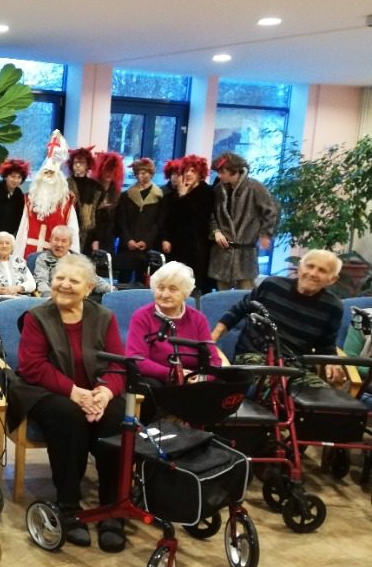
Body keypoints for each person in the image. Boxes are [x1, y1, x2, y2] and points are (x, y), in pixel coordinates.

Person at [12, 253, 126, 551]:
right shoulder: (37, 317)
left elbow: (118, 365)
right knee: (68, 416)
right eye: (59, 278)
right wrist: (74, 392)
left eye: (73, 281)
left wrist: (105, 394)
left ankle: (111, 508)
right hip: (46, 392)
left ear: (88, 288)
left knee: (117, 416)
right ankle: (69, 505)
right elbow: (32, 367)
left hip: (95, 392)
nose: (64, 284)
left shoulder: (105, 317)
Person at [211, 249, 346, 391]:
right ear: (299, 267)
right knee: (276, 391)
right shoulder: (272, 285)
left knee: (323, 397)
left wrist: (332, 363)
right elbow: (239, 310)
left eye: (322, 270)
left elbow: (326, 345)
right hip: (254, 357)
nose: (313, 273)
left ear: (332, 279)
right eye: (310, 266)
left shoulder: (333, 306)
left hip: (295, 365)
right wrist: (212, 338)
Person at [126, 261, 221, 421]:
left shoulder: (198, 319)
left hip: (192, 382)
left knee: (216, 387)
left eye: (173, 289)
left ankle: (196, 433)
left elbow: (214, 360)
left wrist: (201, 378)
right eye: (160, 288)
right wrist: (172, 374)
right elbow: (136, 359)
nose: (165, 294)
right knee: (152, 388)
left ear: (185, 293)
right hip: (158, 381)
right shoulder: (142, 316)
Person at [208, 151, 279, 290]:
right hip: (222, 253)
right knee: (221, 295)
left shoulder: (254, 187)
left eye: (222, 172)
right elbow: (211, 215)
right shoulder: (218, 190)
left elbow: (271, 211)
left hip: (246, 253)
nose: (219, 176)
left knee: (246, 293)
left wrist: (265, 234)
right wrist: (216, 231)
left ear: (233, 170)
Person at [15, 130, 79, 259]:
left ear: (59, 178)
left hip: (56, 258)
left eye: (52, 173)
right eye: (46, 173)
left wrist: (73, 261)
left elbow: (73, 234)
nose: (48, 177)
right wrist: (17, 258)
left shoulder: (66, 205)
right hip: (28, 256)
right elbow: (22, 231)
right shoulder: (30, 200)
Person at [160, 155, 214, 296]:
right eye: (186, 171)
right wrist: (165, 238)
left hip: (196, 245)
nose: (188, 174)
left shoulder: (206, 192)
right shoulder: (177, 191)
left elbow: (199, 217)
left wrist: (184, 197)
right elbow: (169, 218)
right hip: (177, 244)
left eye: (193, 171)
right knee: (175, 282)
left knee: (193, 284)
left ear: (200, 174)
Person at [115, 157, 164, 285]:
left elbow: (158, 223)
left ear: (151, 173)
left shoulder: (159, 196)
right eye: (139, 173)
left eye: (145, 172)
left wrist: (146, 241)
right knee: (123, 279)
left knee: (142, 281)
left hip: (147, 245)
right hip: (127, 245)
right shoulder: (126, 195)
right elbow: (121, 220)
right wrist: (128, 240)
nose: (141, 175)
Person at [33, 225, 112, 298]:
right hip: (54, 298)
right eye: (56, 240)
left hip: (79, 298)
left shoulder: (80, 259)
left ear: (70, 244)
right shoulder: (43, 258)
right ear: (50, 241)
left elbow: (94, 279)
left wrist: (112, 290)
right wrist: (49, 296)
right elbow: (41, 281)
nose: (59, 244)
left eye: (63, 241)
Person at [0, 231, 36, 304]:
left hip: (20, 296)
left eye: (7, 243)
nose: (4, 246)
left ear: (12, 246)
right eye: (0, 243)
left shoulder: (19, 261)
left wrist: (18, 288)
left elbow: (32, 283)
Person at [64, 146, 101, 251]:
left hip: (88, 234)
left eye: (82, 162)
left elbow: (97, 215)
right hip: (69, 228)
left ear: (87, 165)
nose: (78, 165)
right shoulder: (64, 184)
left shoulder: (96, 187)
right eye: (75, 162)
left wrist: (96, 239)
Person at [88, 151, 124, 254]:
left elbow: (118, 220)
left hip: (109, 239)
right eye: (106, 169)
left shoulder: (116, 193)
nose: (109, 173)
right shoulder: (93, 190)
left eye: (112, 170)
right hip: (92, 237)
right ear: (101, 170)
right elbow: (88, 218)